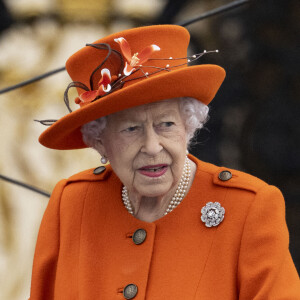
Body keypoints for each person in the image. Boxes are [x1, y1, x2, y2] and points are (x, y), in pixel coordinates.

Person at [29, 25, 300, 299]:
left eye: (166, 124)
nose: (151, 146)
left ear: (188, 126)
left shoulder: (248, 207)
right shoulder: (71, 202)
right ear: (100, 141)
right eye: (131, 129)